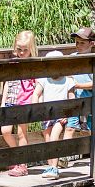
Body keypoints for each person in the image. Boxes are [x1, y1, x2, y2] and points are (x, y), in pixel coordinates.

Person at [31, 50, 75, 179]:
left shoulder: (68, 81)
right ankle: (50, 166)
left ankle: (55, 168)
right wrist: (37, 109)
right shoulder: (44, 79)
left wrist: (67, 113)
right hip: (46, 115)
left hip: (60, 115)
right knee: (48, 140)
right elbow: (36, 94)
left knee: (54, 138)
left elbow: (72, 99)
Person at [0, 30, 37, 177]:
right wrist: (3, 101)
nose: (22, 53)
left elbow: (36, 85)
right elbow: (7, 82)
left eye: (25, 50)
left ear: (31, 49)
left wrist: (35, 102)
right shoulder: (13, 62)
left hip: (25, 102)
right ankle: (17, 157)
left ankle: (22, 165)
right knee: (6, 131)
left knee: (22, 133)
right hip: (11, 100)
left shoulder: (32, 65)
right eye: (19, 49)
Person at [61, 27, 95, 167]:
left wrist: (78, 86)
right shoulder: (72, 58)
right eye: (77, 42)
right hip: (74, 100)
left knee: (90, 129)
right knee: (70, 127)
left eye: (82, 43)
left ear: (91, 43)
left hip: (90, 101)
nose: (78, 45)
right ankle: (63, 157)